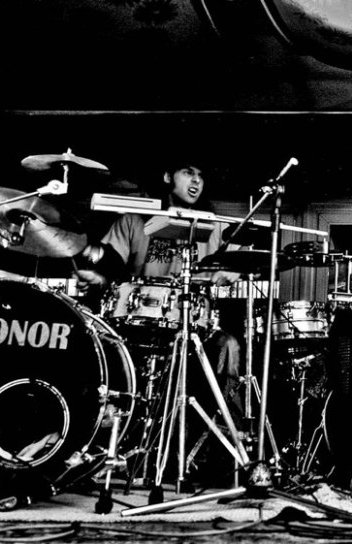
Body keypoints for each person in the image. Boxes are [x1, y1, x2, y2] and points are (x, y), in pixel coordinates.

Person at [75, 158, 247, 484]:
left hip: (195, 326)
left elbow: (240, 258)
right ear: (169, 176)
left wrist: (232, 269)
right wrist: (93, 276)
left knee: (230, 346)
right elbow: (108, 265)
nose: (196, 181)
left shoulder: (212, 226)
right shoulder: (134, 220)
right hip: (138, 323)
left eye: (201, 174)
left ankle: (212, 455)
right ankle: (105, 446)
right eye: (188, 172)